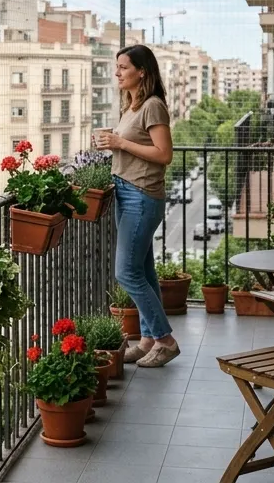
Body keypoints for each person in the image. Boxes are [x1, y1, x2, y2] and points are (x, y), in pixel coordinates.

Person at [96, 44, 177, 367]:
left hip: (142, 196)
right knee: (143, 269)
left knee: (126, 272)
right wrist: (111, 143)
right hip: (125, 192)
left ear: (142, 71)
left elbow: (164, 154)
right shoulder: (131, 106)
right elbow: (131, 148)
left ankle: (165, 340)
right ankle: (146, 340)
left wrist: (120, 142)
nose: (117, 72)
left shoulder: (153, 106)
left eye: (123, 67)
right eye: (117, 67)